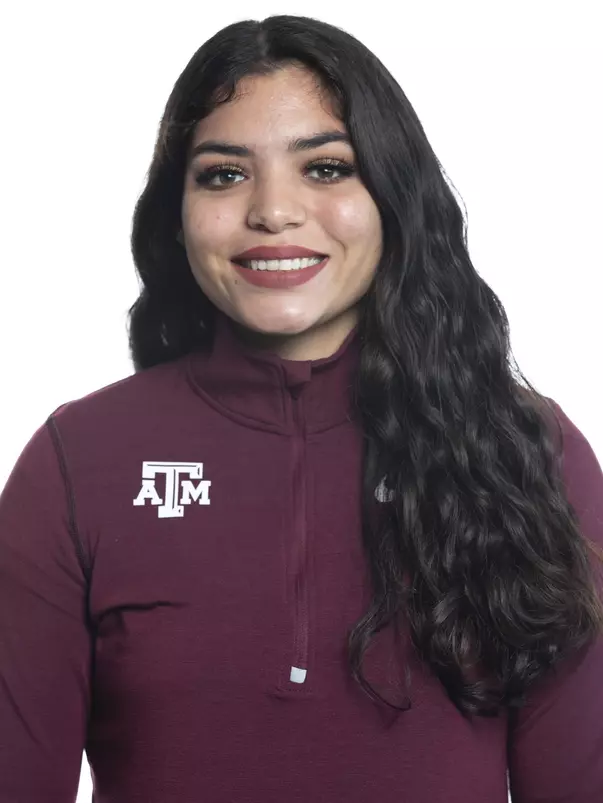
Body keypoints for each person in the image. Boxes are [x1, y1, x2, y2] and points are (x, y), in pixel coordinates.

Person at [1, 13, 602, 803]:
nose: (273, 212)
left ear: (392, 195)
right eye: (223, 174)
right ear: (175, 214)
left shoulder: (527, 449)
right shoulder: (78, 460)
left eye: (324, 168)